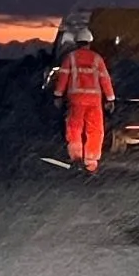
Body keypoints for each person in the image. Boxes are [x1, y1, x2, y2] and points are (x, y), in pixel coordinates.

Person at [51, 26, 118, 174]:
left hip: (75, 100)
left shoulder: (71, 58)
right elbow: (105, 79)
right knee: (95, 131)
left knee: (74, 129)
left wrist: (57, 96)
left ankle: (76, 159)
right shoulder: (97, 58)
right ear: (90, 42)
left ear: (76, 42)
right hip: (94, 101)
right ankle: (91, 163)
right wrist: (110, 99)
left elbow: (62, 78)